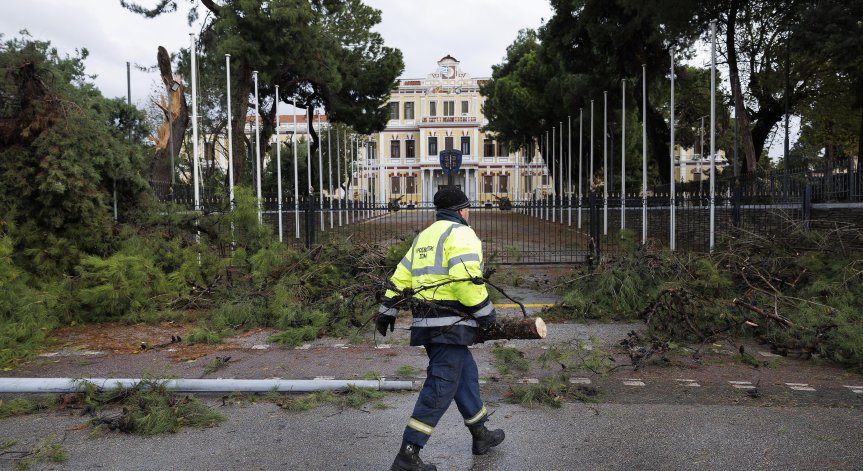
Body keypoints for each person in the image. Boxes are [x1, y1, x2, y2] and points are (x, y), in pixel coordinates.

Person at [377, 186, 505, 471]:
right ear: (461, 210)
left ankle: (480, 435)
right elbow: (465, 281)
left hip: (428, 324)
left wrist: (386, 310)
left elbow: (401, 275)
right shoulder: (461, 233)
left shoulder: (426, 235)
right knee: (441, 385)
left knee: (464, 376)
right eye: (467, 208)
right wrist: (487, 315)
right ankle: (408, 452)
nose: (468, 213)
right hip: (451, 323)